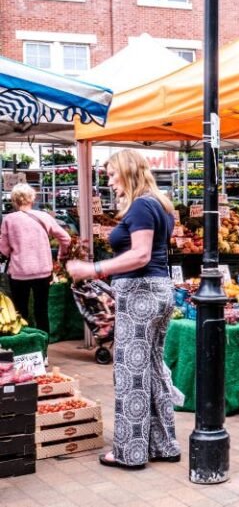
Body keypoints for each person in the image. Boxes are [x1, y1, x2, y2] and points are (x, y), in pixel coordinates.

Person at [67, 149, 180, 469]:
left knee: (130, 373)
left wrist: (94, 269)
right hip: (158, 291)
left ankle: (129, 452)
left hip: (140, 294)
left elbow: (141, 255)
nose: (110, 181)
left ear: (129, 173)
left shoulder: (143, 206)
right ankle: (164, 443)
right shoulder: (159, 204)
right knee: (154, 369)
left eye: (113, 174)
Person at [0, 183, 71, 334]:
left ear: (14, 200)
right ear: (32, 199)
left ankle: (26, 348)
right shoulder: (44, 216)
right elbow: (65, 238)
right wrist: (61, 254)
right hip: (43, 271)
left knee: (20, 311)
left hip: (19, 272)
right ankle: (44, 347)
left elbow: (4, 249)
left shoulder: (9, 220)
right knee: (41, 310)